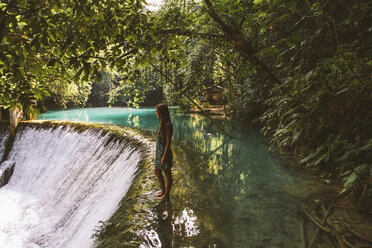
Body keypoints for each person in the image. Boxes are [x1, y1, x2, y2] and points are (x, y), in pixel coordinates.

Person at [154, 103, 173, 199]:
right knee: (157, 171)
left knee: (167, 172)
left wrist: (164, 156)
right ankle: (162, 191)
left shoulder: (167, 124)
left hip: (165, 151)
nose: (155, 112)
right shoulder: (161, 122)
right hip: (159, 151)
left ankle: (166, 194)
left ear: (161, 112)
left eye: (157, 110)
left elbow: (168, 142)